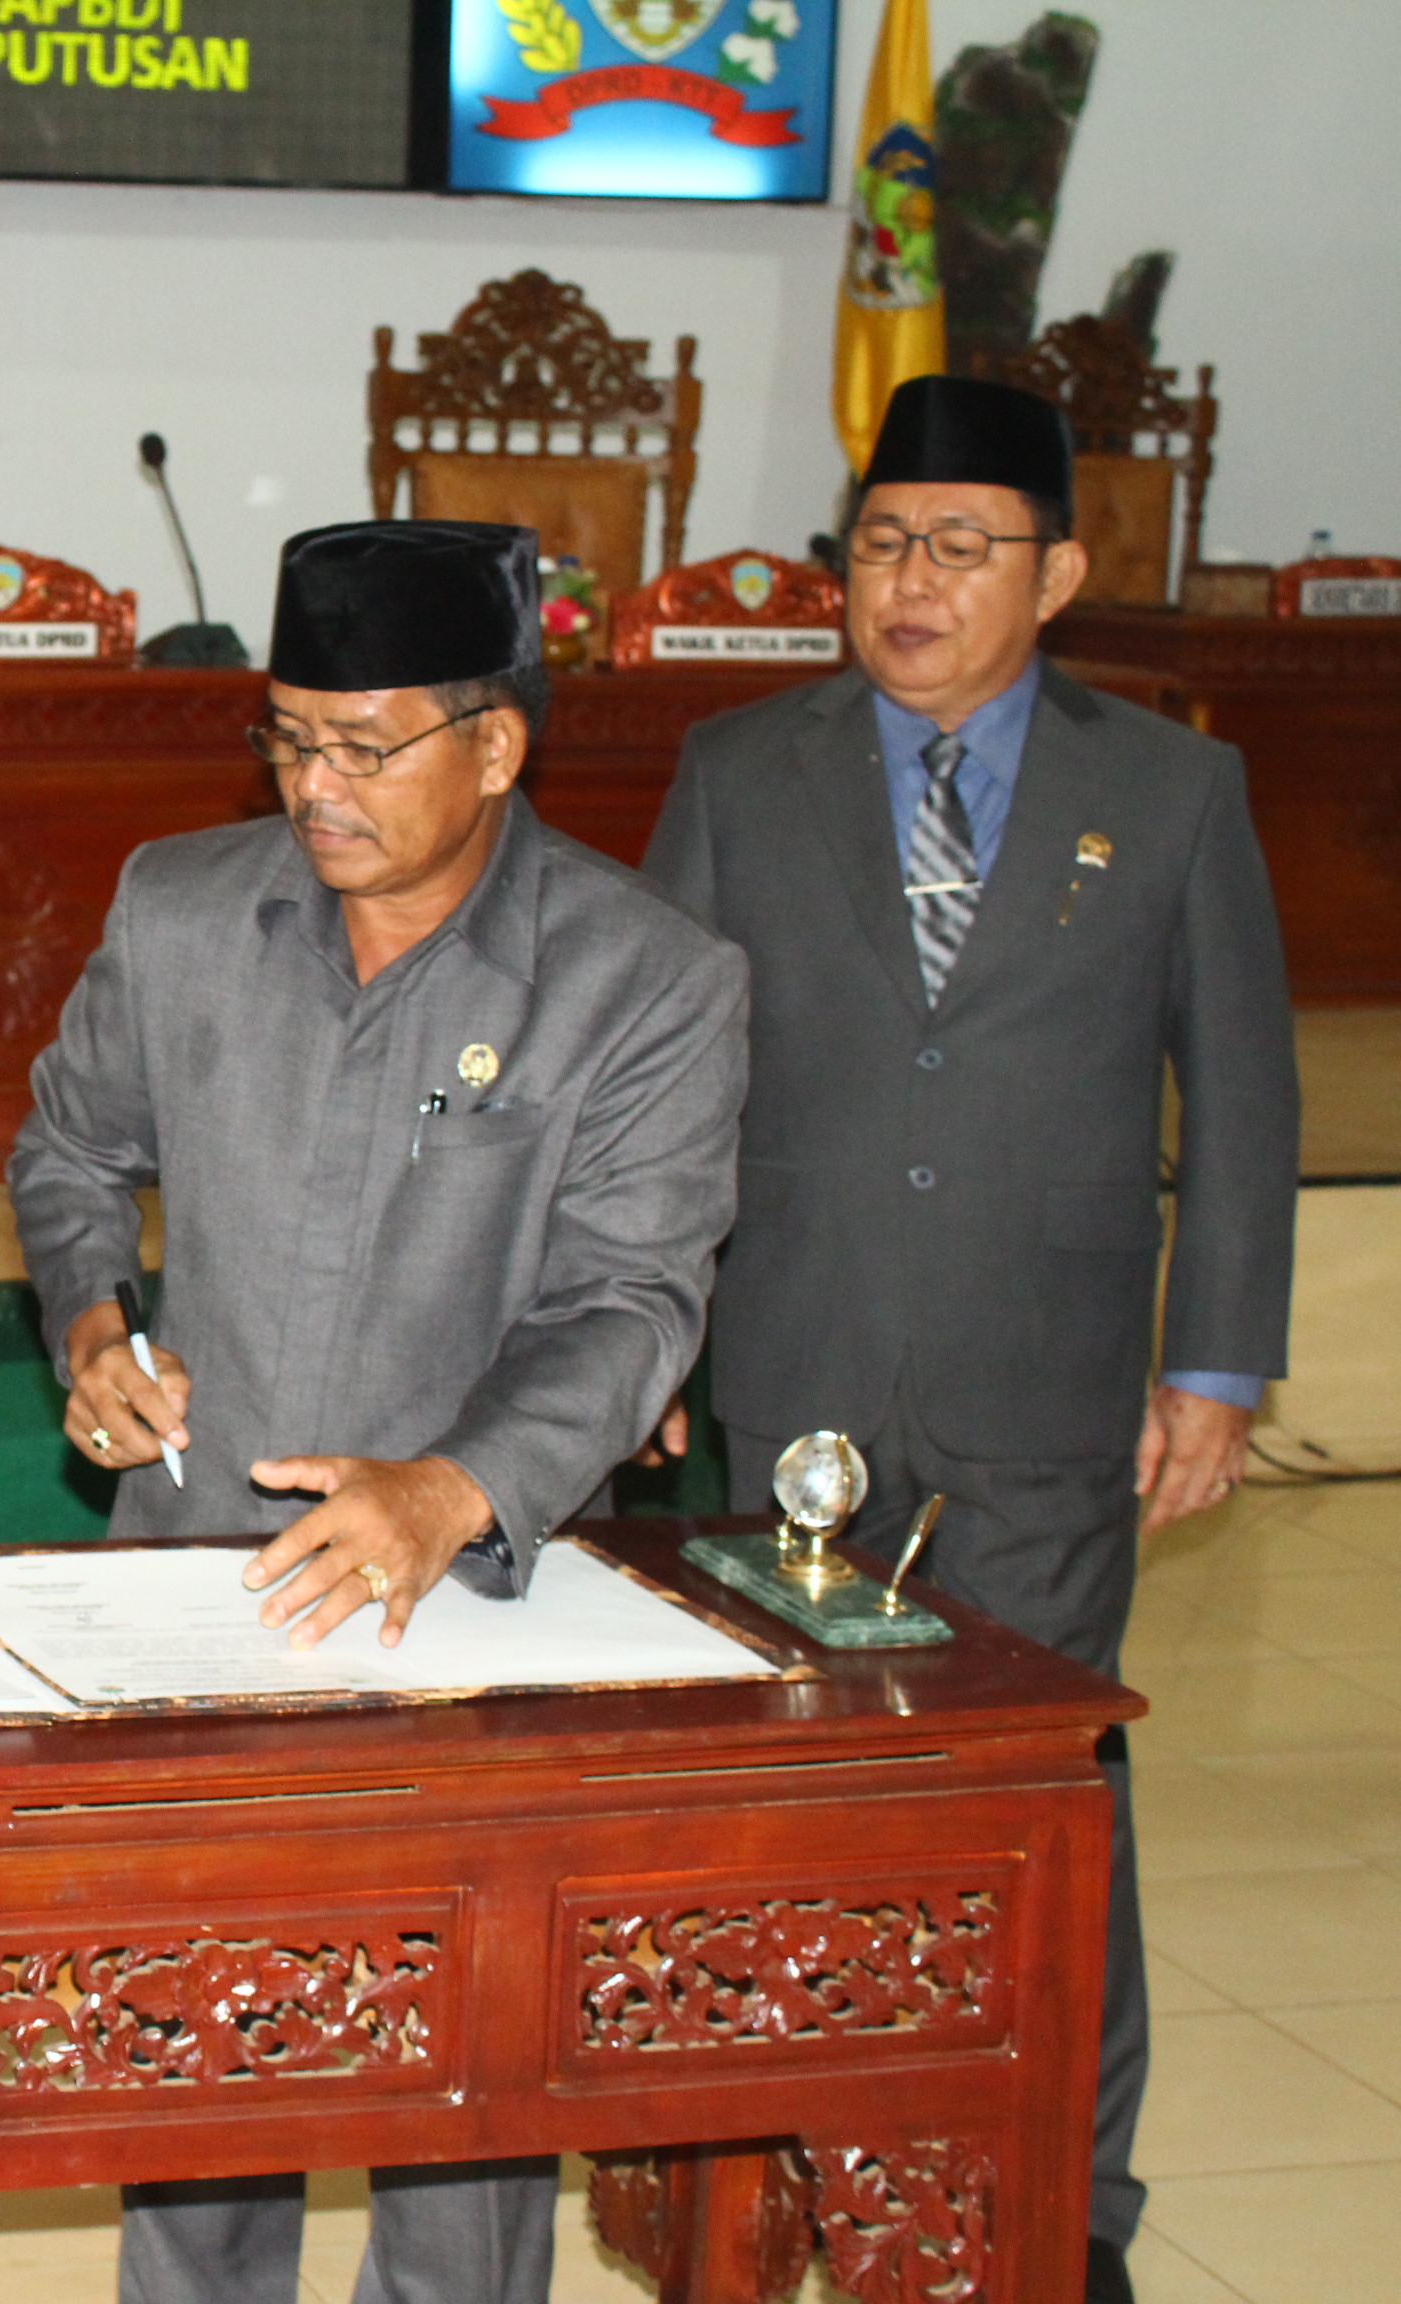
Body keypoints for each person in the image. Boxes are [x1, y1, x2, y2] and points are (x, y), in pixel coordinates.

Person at [11, 521, 748, 2304]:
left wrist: (451, 1487)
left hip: (472, 1616)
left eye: (365, 746)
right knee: (195, 2073)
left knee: (462, 2113)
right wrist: (94, 1318)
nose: (314, 788)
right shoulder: (183, 909)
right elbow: (70, 1146)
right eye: (285, 737)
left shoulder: (645, 980)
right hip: (203, 1586)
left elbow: (630, 1302)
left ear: (497, 746)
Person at [643, 374, 1297, 2304]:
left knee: (1048, 1798)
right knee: (799, 1789)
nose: (910, 582)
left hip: (1050, 1378)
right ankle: (802, 2171)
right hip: (795, 1371)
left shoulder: (1169, 789)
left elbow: (1244, 1097)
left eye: (959, 547)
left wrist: (1221, 1363)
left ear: (1063, 572)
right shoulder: (740, 765)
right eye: (881, 544)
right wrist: (654, 1316)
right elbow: (664, 1076)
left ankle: (1066, 2205)